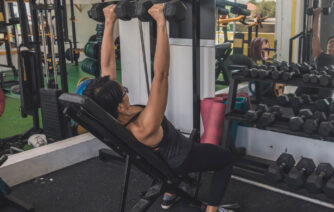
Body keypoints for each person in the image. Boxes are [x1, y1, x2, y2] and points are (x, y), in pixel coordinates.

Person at [83, 4, 236, 212]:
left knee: (175, 158)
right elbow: (161, 74)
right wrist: (161, 22)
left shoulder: (106, 114)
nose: (125, 90)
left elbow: (107, 65)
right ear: (119, 106)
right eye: (124, 91)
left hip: (160, 162)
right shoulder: (145, 125)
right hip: (182, 158)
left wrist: (109, 22)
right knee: (225, 159)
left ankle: (170, 191)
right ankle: (212, 210)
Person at [296, 7, 334, 98]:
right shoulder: (319, 53)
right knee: (298, 96)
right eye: (329, 42)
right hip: (313, 80)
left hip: (327, 84)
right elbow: (315, 35)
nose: (331, 43)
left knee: (321, 104)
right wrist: (317, 15)